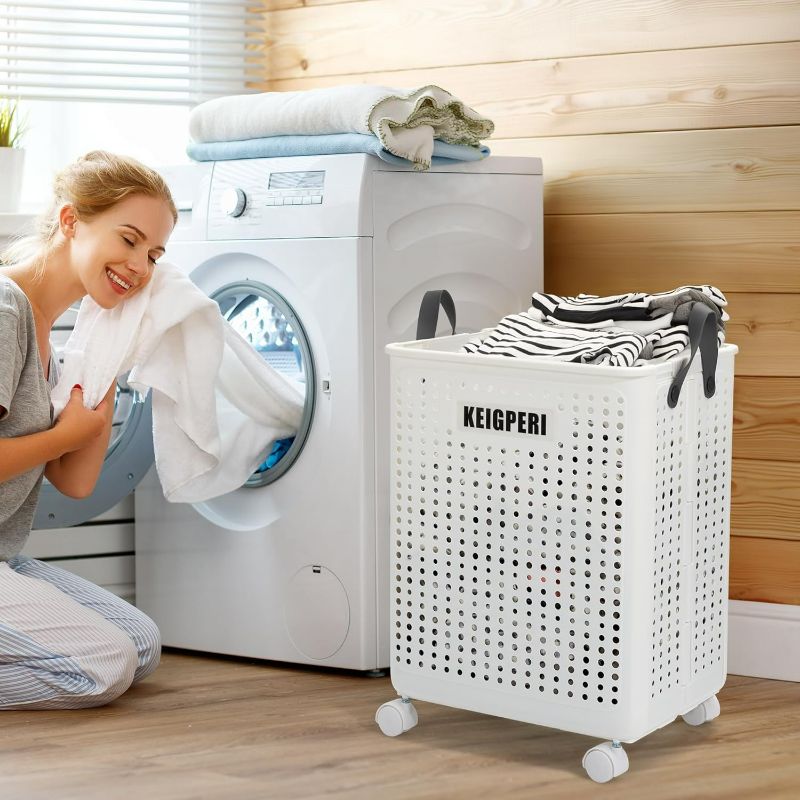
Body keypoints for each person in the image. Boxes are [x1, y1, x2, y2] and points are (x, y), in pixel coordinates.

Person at [0, 150, 175, 709]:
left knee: (142, 647)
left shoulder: (63, 334)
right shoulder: (6, 310)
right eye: (128, 239)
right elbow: (62, 447)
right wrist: (62, 435)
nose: (141, 266)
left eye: (154, 253)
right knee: (103, 664)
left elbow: (73, 482)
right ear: (72, 221)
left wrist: (112, 359)